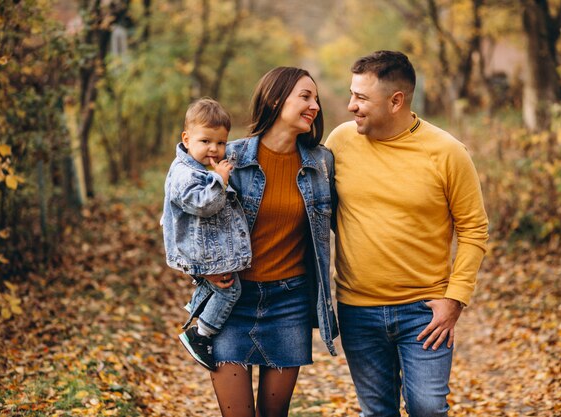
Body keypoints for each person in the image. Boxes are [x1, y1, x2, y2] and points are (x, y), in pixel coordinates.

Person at [324, 50, 489, 417]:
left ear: (396, 101)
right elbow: (322, 210)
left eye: (362, 98)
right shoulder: (339, 142)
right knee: (377, 411)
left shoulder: (447, 152)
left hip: (425, 311)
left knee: (428, 409)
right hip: (357, 309)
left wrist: (455, 299)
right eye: (352, 94)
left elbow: (474, 228)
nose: (351, 106)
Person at [205, 66, 338, 417]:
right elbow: (189, 220)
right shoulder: (229, 157)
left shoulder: (321, 164)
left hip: (289, 303)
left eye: (316, 99)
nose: (315, 106)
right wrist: (202, 271)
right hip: (231, 301)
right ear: (276, 98)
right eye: (305, 96)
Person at [161, 98, 252, 371]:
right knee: (230, 290)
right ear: (187, 139)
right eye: (205, 141)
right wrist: (221, 180)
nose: (214, 149)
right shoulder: (185, 174)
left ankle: (197, 308)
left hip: (204, 249)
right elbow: (204, 204)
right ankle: (201, 335)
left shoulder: (198, 169)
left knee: (221, 286)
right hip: (200, 253)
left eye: (221, 143)